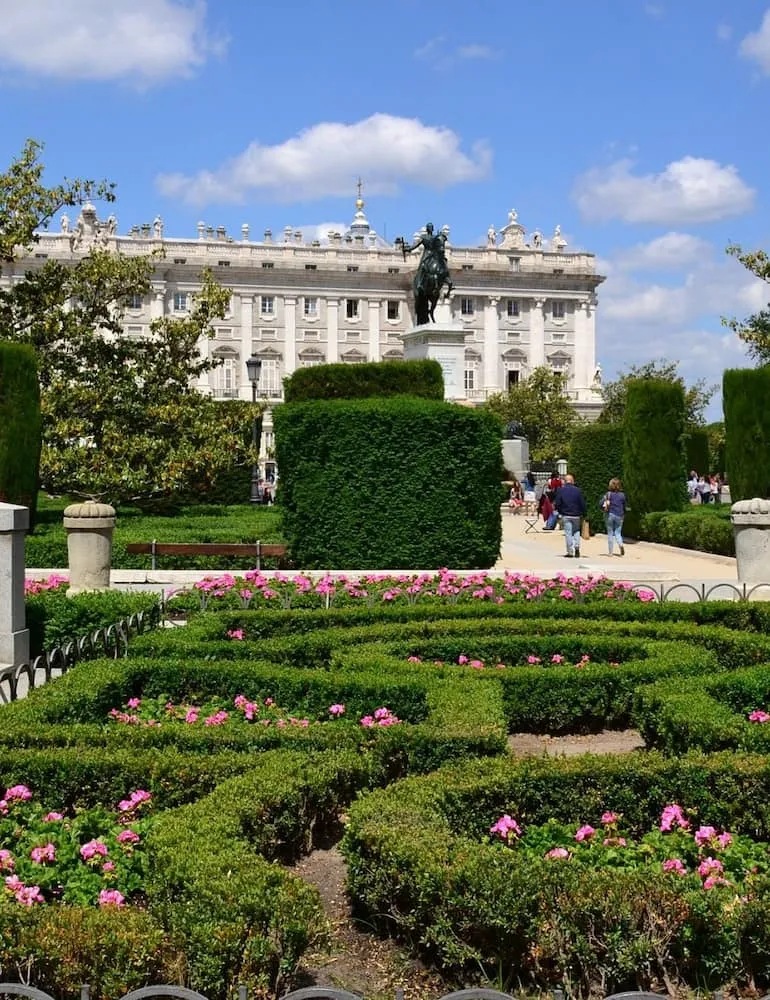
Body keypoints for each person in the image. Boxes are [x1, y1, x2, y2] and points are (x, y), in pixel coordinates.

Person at [553, 474, 587, 558]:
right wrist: (584, 513)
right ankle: (577, 547)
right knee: (576, 531)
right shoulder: (578, 490)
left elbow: (557, 503)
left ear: (564, 481)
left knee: (568, 533)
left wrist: (560, 511)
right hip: (576, 514)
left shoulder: (561, 490)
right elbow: (582, 503)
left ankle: (570, 551)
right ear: (573, 481)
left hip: (566, 514)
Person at [601, 477, 627, 556]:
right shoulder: (622, 495)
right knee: (618, 532)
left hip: (610, 514)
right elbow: (625, 506)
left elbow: (601, 504)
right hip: (620, 515)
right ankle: (620, 544)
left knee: (610, 533)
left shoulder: (608, 494)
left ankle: (610, 552)